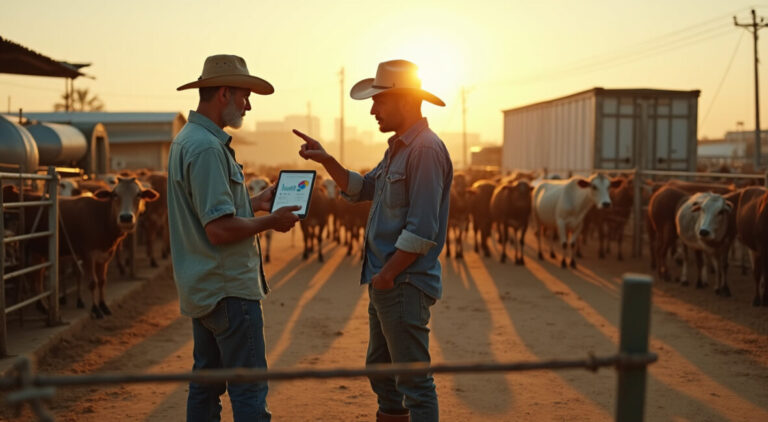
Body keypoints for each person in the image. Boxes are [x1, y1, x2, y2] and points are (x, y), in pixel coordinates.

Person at [295, 59, 452, 422]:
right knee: (383, 375)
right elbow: (365, 188)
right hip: (386, 281)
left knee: (413, 382)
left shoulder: (425, 150)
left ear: (404, 100)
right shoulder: (398, 147)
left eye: (379, 101)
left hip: (402, 281)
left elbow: (423, 228)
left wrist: (386, 276)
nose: (372, 110)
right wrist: (327, 160)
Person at [168, 54, 300, 422]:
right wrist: (270, 221)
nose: (249, 104)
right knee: (249, 389)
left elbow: (212, 212)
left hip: (204, 287)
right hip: (229, 290)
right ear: (224, 93)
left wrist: (254, 203)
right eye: (244, 95)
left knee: (206, 385)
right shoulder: (209, 148)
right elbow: (219, 229)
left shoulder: (187, 140)